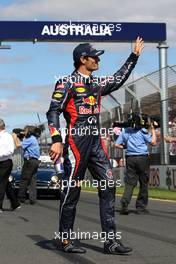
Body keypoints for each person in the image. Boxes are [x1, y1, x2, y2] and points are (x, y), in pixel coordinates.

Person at [46, 37, 144, 254]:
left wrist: (134, 56)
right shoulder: (66, 82)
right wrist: (55, 140)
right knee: (72, 191)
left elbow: (118, 78)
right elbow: (53, 111)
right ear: (83, 59)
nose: (98, 60)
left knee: (108, 186)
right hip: (76, 144)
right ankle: (65, 239)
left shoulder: (97, 83)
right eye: (94, 57)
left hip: (96, 143)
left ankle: (110, 241)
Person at [115, 115, 156, 215]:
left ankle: (125, 202)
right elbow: (153, 142)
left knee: (130, 182)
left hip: (130, 158)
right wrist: (153, 129)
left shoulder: (126, 131)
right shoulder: (142, 131)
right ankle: (140, 207)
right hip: (142, 158)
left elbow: (116, 144)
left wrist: (126, 147)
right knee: (143, 182)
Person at [12, 126, 40, 204]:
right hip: (35, 161)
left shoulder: (30, 139)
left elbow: (18, 145)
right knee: (32, 180)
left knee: (24, 179)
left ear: (29, 132)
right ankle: (32, 199)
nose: (24, 132)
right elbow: (22, 142)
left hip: (29, 161)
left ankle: (21, 198)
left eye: (25, 130)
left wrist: (14, 137)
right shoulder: (33, 138)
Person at [0, 119, 20, 211]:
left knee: (1, 183)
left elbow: (10, 151)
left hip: (5, 163)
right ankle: (15, 203)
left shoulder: (7, 137)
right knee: (5, 183)